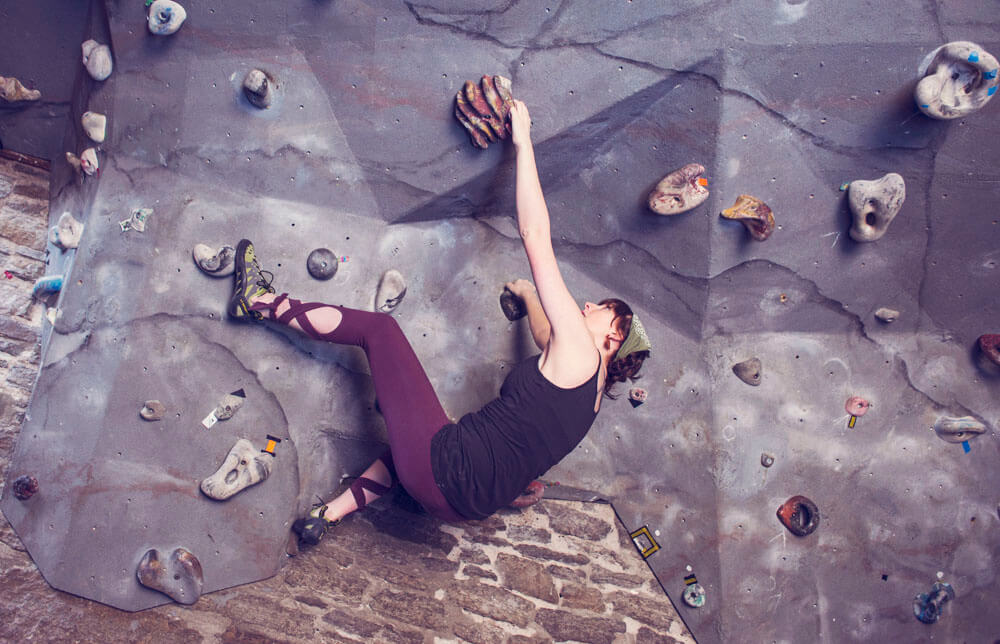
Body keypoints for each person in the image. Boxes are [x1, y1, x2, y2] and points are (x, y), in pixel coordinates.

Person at [227, 100, 651, 544]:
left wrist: (524, 143)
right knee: (415, 441)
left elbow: (535, 236)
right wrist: (527, 295)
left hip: (443, 469)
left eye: (599, 308)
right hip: (461, 507)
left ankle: (256, 300)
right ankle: (326, 517)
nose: (586, 306)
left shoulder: (580, 350)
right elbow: (547, 336)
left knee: (381, 331)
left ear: (615, 333)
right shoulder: (590, 399)